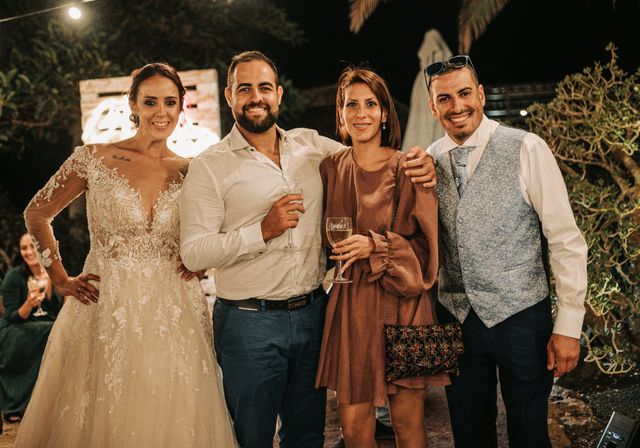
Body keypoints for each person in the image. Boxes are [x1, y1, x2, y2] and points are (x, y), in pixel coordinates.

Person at [179, 51, 436, 448]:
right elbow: (194, 254)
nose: (255, 96)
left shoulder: (312, 147)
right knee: (252, 436)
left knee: (309, 436)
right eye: (244, 88)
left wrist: (426, 161)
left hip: (318, 313)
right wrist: (262, 230)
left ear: (278, 94)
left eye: (264, 87)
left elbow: (369, 157)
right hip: (253, 322)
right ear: (229, 96)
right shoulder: (210, 165)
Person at [17, 62, 237, 447]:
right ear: (132, 105)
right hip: (106, 305)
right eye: (150, 101)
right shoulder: (93, 158)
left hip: (174, 310)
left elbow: (215, 232)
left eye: (170, 102)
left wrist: (199, 261)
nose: (161, 111)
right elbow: (37, 213)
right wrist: (62, 279)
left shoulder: (192, 170)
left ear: (181, 108)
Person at [426, 55, 588, 448]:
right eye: (444, 99)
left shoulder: (527, 147)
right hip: (456, 317)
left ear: (480, 95)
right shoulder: (427, 161)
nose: (457, 106)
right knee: (468, 434)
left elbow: (565, 239)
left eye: (465, 93)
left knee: (530, 433)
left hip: (521, 317)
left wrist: (568, 326)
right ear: (433, 106)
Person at [314, 68, 447, 448]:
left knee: (410, 427)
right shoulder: (330, 168)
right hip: (351, 309)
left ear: (385, 113)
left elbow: (428, 255)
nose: (361, 113)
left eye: (371, 104)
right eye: (351, 104)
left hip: (410, 308)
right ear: (341, 114)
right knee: (354, 430)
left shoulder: (411, 167)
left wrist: (375, 246)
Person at [0, 233, 63, 423]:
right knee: (51, 330)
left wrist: (51, 285)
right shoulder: (14, 277)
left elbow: (56, 311)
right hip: (14, 329)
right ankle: (16, 403)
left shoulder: (52, 275)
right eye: (23, 248)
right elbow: (13, 317)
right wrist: (28, 303)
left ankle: (49, 402)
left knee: (54, 330)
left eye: (31, 246)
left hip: (42, 326)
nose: (28, 252)